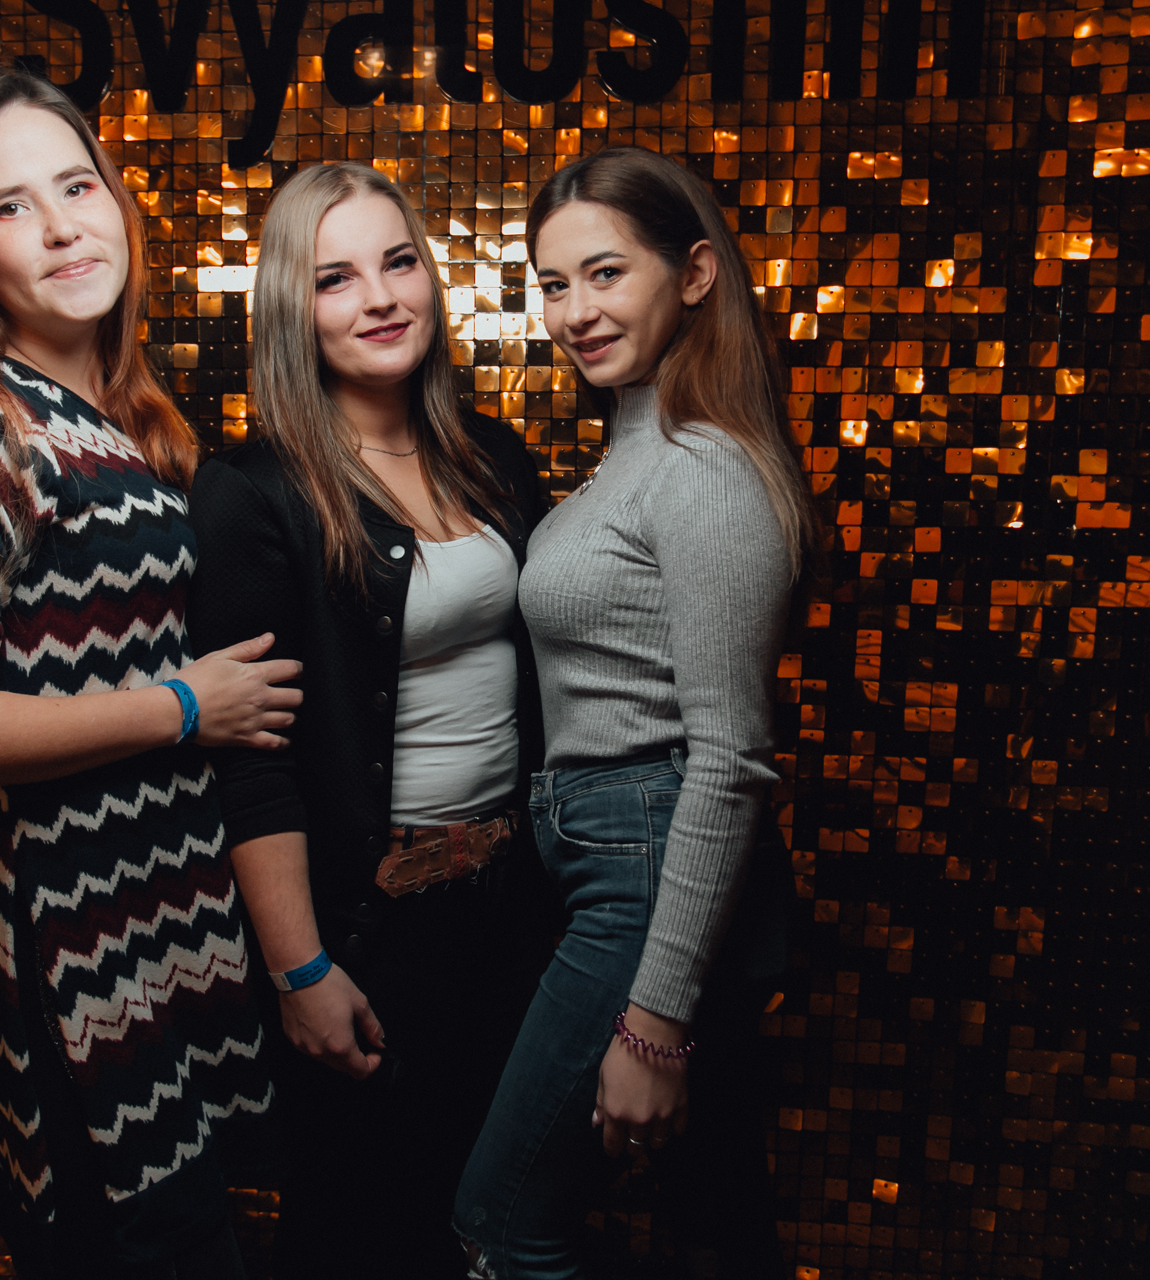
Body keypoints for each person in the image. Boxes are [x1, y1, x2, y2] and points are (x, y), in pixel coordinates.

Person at [0, 65, 302, 1280]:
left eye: (77, 185)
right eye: (8, 205)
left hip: (148, 946)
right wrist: (187, 705)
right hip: (64, 961)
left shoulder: (112, 414)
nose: (59, 225)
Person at [185, 162, 553, 1279]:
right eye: (335, 277)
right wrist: (301, 970)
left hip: (511, 909)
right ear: (291, 308)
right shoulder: (256, 491)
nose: (381, 297)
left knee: (490, 1220)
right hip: (374, 929)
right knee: (362, 1230)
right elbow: (251, 762)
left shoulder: (492, 457)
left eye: (398, 263)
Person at [453, 146, 815, 1277]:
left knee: (504, 1221)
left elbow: (730, 757)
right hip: (606, 862)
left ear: (695, 273)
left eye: (606, 273)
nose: (576, 312)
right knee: (692, 1222)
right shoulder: (634, 455)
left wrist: (654, 1021)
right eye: (554, 284)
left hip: (646, 865)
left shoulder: (702, 467)